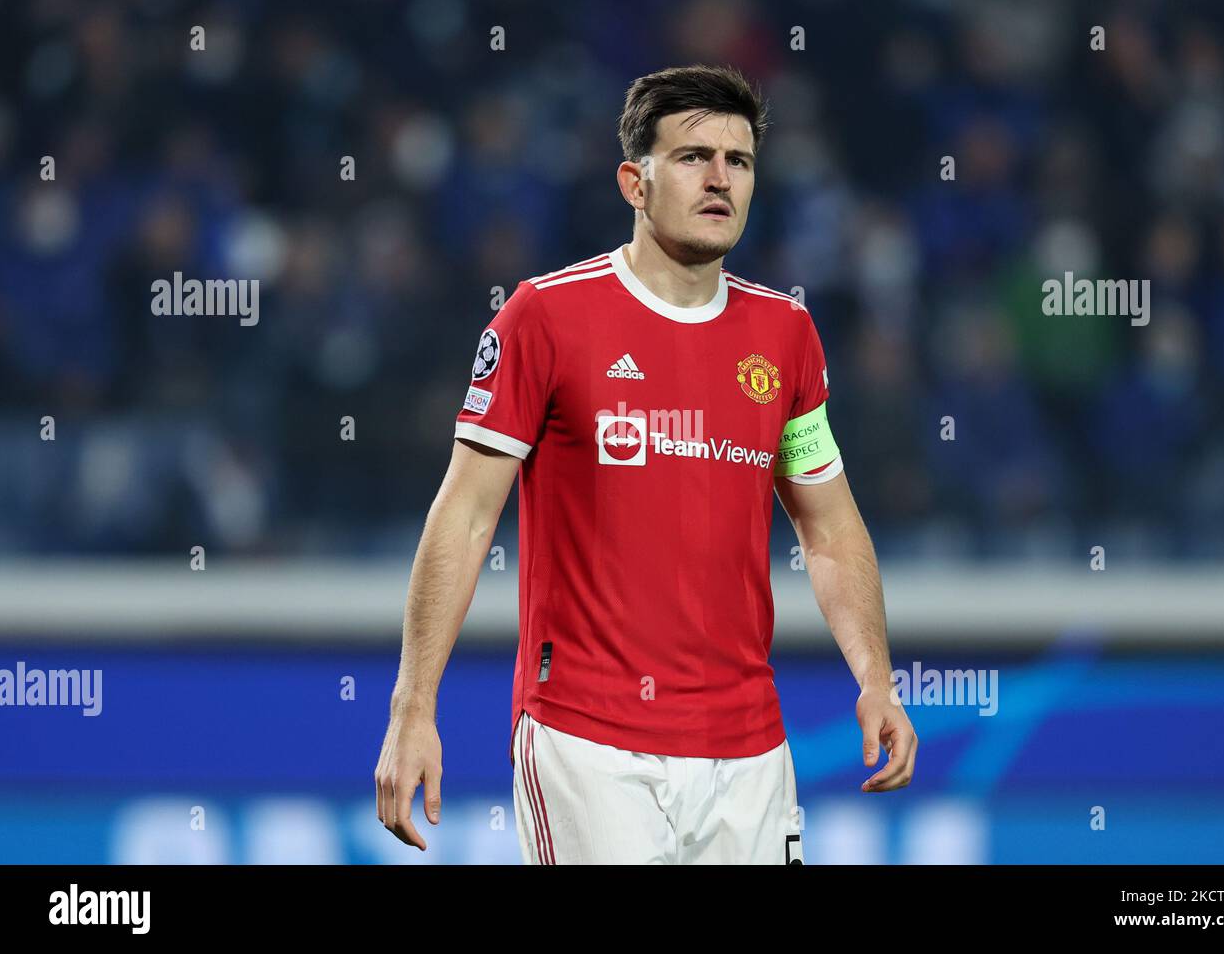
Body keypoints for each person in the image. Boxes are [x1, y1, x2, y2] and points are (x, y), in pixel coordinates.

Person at [375, 63, 916, 864]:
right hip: (589, 741)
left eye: (739, 161)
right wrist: (412, 707)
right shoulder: (547, 316)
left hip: (750, 749)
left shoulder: (786, 336)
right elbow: (465, 512)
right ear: (635, 180)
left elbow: (829, 526)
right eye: (695, 157)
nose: (720, 179)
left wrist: (877, 676)